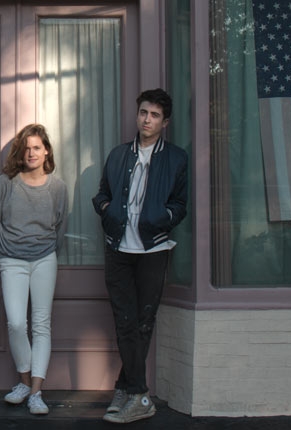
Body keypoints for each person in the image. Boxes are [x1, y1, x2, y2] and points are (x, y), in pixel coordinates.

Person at [92, 88, 188, 424]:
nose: (147, 120)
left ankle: (129, 390)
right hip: (118, 247)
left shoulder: (176, 158)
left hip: (153, 249)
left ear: (165, 122)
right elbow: (102, 193)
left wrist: (160, 218)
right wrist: (106, 208)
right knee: (125, 321)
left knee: (143, 322)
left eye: (155, 115)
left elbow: (180, 205)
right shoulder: (119, 155)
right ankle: (136, 393)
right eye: (144, 113)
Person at [0, 124, 68, 415]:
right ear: (20, 153)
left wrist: (46, 251)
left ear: (46, 151)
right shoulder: (6, 183)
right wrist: (5, 254)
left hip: (45, 259)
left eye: (37, 147)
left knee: (41, 324)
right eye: (26, 148)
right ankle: (23, 382)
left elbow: (60, 228)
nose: (31, 153)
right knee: (16, 323)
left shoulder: (57, 187)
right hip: (12, 260)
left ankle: (36, 392)